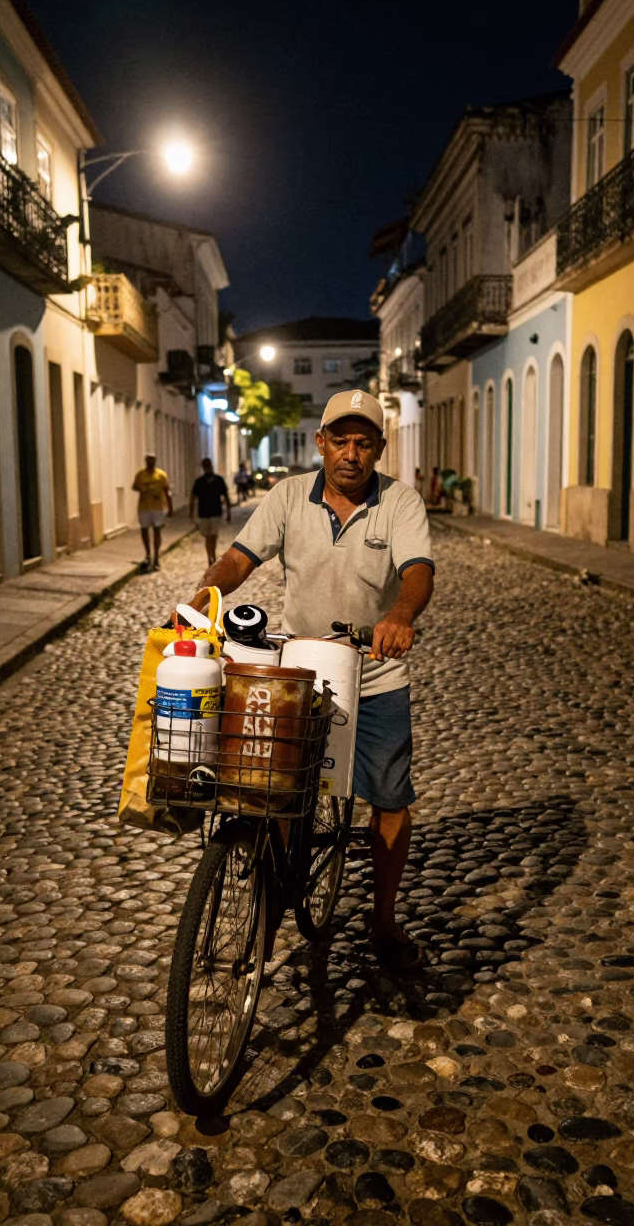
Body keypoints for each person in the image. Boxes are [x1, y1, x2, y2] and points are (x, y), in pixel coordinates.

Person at [181, 389, 434, 972]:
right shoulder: (289, 495)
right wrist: (204, 597)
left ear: (378, 448)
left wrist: (398, 616)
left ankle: (383, 923)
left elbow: (417, 571)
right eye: (340, 439)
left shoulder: (400, 501)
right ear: (320, 443)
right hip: (300, 666)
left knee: (390, 800)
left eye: (363, 442)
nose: (351, 453)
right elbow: (240, 558)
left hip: (375, 670)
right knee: (277, 787)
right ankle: (276, 898)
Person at [132, 452, 172, 572]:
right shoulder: (140, 474)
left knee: (157, 531)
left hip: (157, 507)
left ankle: (156, 557)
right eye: (149, 459)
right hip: (144, 506)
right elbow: (135, 486)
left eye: (153, 459)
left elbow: (166, 490)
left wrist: (170, 506)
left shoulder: (161, 475)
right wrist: (144, 489)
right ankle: (148, 554)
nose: (151, 461)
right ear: (146, 461)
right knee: (144, 530)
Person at [190, 458, 231, 566]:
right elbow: (193, 497)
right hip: (203, 512)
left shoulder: (218, 480)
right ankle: (210, 557)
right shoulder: (199, 482)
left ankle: (212, 555)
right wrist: (191, 512)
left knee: (213, 535)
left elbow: (226, 496)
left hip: (216, 511)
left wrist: (229, 512)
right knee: (208, 536)